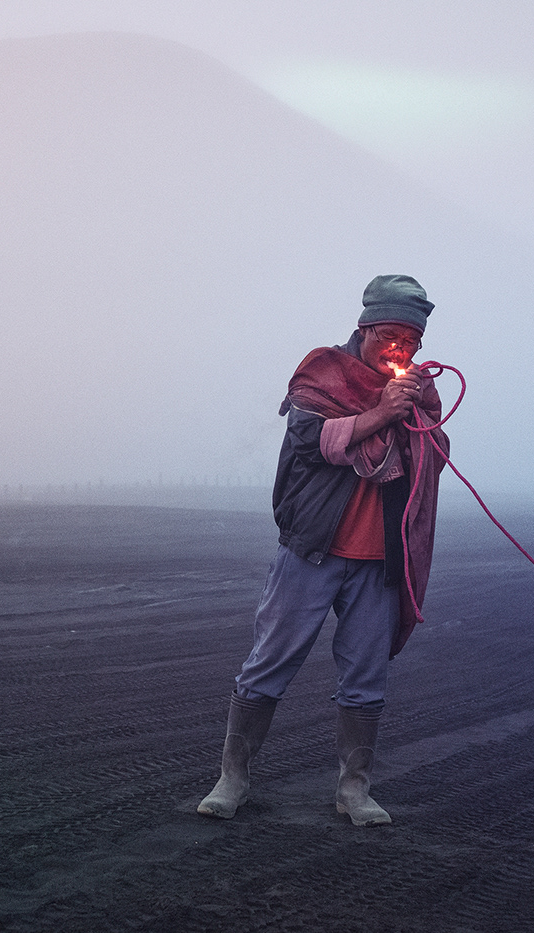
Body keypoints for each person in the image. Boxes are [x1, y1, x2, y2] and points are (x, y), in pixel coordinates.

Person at [197, 274, 449, 826]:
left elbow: (431, 451)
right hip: (311, 550)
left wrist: (410, 417)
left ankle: (354, 791)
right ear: (364, 328)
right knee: (268, 664)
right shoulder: (323, 371)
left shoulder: (420, 392)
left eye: (412, 342)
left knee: (365, 678)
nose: (400, 351)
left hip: (380, 561)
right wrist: (382, 414)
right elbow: (309, 443)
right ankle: (232, 778)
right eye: (391, 337)